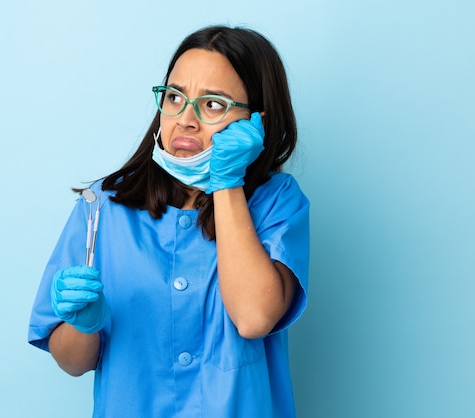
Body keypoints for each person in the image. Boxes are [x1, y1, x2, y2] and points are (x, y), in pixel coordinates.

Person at [28, 24, 310, 417]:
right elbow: (72, 362)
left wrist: (226, 182)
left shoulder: (276, 201)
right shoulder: (102, 207)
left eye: (213, 104)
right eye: (175, 97)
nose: (186, 120)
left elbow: (253, 318)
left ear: (256, 122)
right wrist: (85, 324)